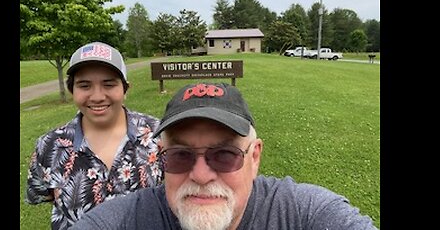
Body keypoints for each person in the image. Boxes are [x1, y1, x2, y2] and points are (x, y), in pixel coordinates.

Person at [71, 82, 378, 230]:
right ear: (162, 157)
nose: (201, 175)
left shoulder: (304, 214)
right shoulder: (126, 220)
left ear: (254, 158)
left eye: (225, 155)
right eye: (180, 155)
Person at [25, 42, 164, 230]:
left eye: (109, 84)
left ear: (125, 89)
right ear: (72, 90)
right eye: (84, 85)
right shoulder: (50, 145)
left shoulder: (157, 134)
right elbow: (44, 194)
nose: (97, 96)